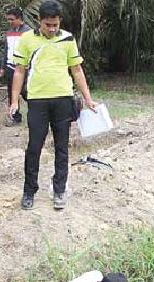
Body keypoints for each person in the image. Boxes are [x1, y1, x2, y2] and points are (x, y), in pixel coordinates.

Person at [9, 0, 96, 211]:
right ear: (40, 21)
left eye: (55, 24)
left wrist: (87, 98)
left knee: (61, 148)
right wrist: (14, 101)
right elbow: (19, 71)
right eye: (48, 24)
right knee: (34, 147)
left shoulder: (67, 38)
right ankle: (29, 191)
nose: (52, 28)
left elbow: (76, 70)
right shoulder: (27, 39)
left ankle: (59, 190)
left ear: (60, 22)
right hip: (37, 101)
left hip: (63, 100)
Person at [0, 6, 31, 126]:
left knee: (27, 93)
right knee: (12, 94)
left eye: (12, 19)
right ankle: (15, 117)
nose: (10, 22)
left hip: (24, 68)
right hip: (10, 67)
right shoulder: (9, 32)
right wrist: (2, 66)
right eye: (8, 20)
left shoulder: (28, 32)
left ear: (19, 19)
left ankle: (37, 113)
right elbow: (6, 50)